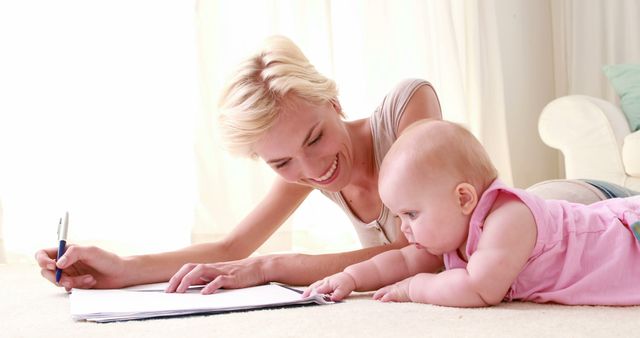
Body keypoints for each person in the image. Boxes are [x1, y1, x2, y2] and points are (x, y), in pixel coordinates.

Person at [34, 35, 636, 294]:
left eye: (317, 137)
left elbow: (428, 252)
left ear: (334, 100)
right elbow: (232, 247)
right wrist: (122, 267)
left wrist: (278, 266)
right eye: (282, 162)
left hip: (582, 213)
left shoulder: (405, 113)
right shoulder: (309, 169)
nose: (313, 168)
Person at [304, 119, 640, 306]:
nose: (404, 229)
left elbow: (479, 289)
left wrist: (414, 288)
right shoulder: (453, 234)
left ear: (464, 198)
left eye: (412, 214)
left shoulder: (509, 217)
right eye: (400, 217)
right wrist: (350, 277)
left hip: (625, 243)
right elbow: (401, 261)